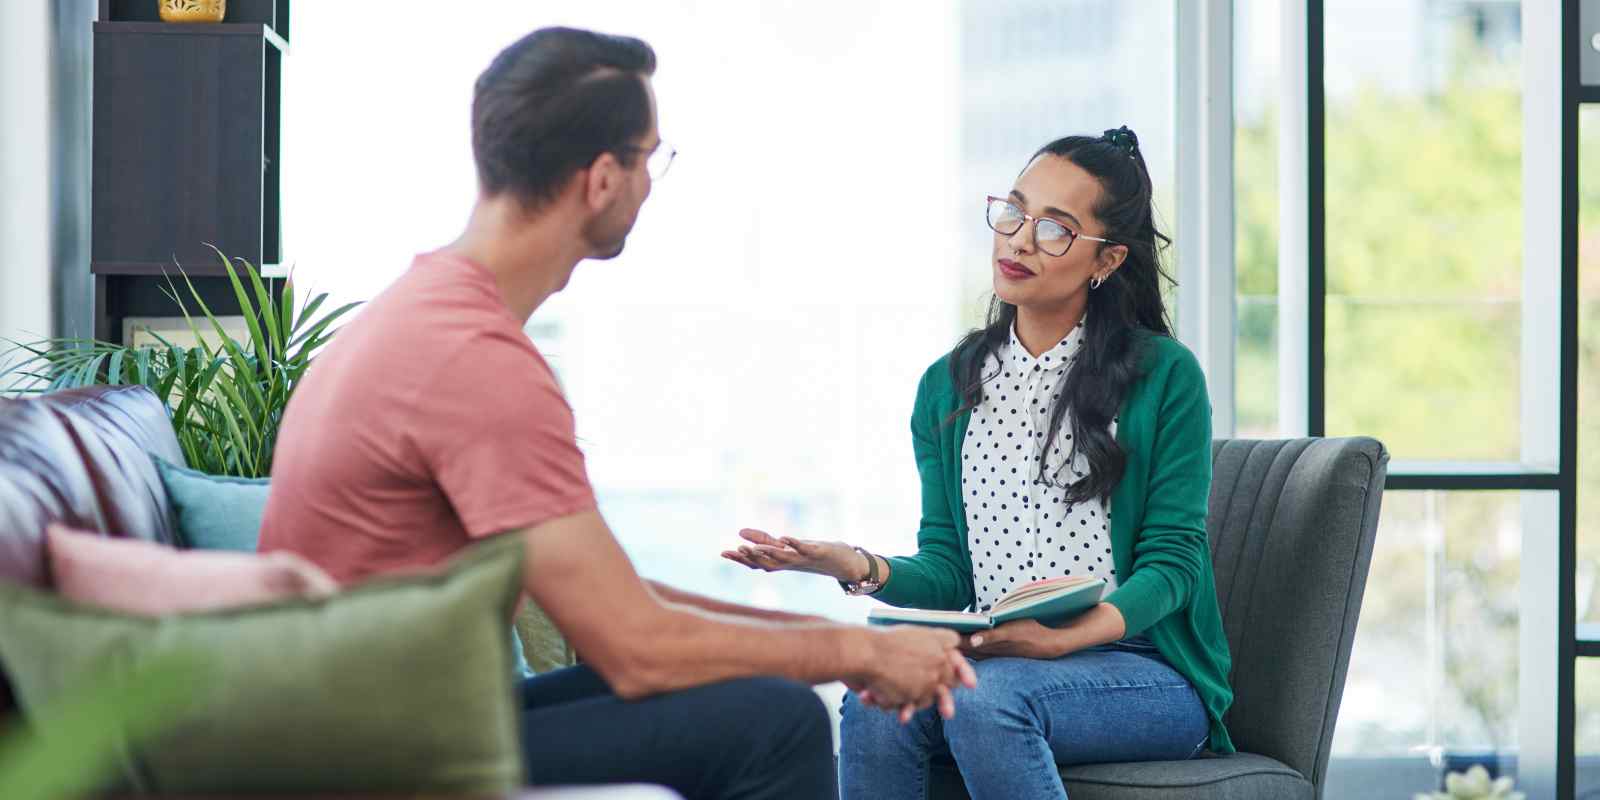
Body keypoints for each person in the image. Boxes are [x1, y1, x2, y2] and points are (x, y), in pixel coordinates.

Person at [258, 26, 975, 800]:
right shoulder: (474, 360)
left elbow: (622, 604)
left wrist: (850, 644)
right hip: (373, 757)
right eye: (650, 158)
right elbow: (637, 647)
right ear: (603, 178)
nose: (649, 182)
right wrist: (859, 657)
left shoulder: (429, 311)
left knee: (744, 698)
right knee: (779, 723)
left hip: (393, 720)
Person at [722, 127, 1235, 799]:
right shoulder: (949, 383)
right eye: (1013, 211)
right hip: (1001, 655)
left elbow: (1172, 566)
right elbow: (949, 573)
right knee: (875, 702)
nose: (1018, 239)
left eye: (1055, 229)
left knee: (987, 700)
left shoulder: (1164, 375)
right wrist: (852, 565)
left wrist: (1057, 642)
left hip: (1144, 669)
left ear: (1105, 261)